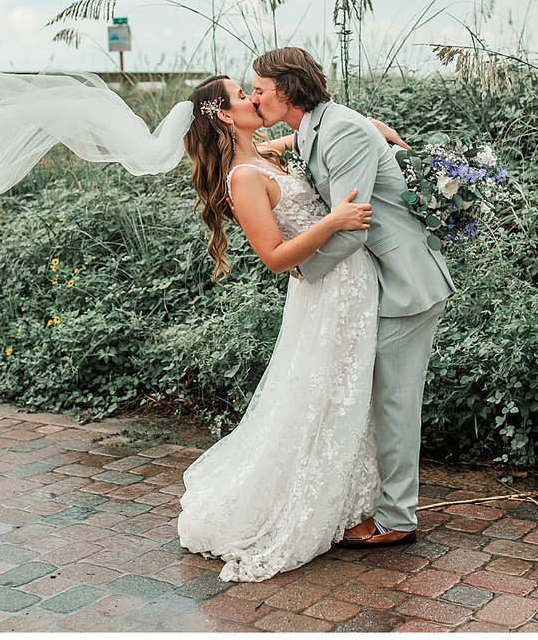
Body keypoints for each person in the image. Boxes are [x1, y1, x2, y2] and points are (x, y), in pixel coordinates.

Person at [175, 73, 415, 582]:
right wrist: (333, 221)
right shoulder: (243, 177)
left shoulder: (265, 152)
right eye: (243, 95)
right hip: (324, 291)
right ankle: (311, 502)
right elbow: (275, 257)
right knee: (326, 391)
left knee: (348, 389)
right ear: (224, 115)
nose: (253, 98)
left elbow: (312, 133)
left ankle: (353, 496)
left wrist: (370, 127)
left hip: (349, 281)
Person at [250, 47, 456, 548]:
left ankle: (397, 519)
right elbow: (300, 145)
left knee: (394, 402)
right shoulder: (314, 126)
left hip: (406, 281)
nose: (254, 99)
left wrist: (304, 271)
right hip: (381, 281)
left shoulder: (340, 130)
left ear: (288, 90)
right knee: (374, 397)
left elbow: (353, 227)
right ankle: (377, 501)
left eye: (259, 90)